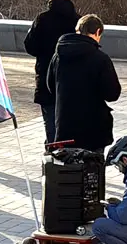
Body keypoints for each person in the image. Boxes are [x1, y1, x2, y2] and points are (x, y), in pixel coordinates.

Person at [46, 14, 121, 153]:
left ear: (78, 30)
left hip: (64, 127)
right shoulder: (100, 59)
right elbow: (112, 94)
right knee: (93, 165)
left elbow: (50, 86)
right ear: (97, 32)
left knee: (67, 164)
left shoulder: (58, 56)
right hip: (93, 130)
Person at [24, 0, 79, 144]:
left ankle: (53, 152)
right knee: (72, 122)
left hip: (46, 79)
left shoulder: (42, 19)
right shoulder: (78, 21)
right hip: (72, 82)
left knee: (51, 123)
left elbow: (30, 46)